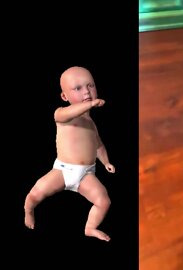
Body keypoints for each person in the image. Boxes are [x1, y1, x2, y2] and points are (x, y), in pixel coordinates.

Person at [24, 66, 115, 241]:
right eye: (78, 88)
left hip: (87, 173)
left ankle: (90, 228)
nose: (87, 91)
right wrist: (89, 104)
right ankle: (28, 211)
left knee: (104, 201)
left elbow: (99, 146)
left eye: (91, 85)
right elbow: (70, 112)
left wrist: (106, 162)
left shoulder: (91, 123)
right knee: (35, 193)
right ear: (64, 96)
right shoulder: (62, 114)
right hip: (63, 170)